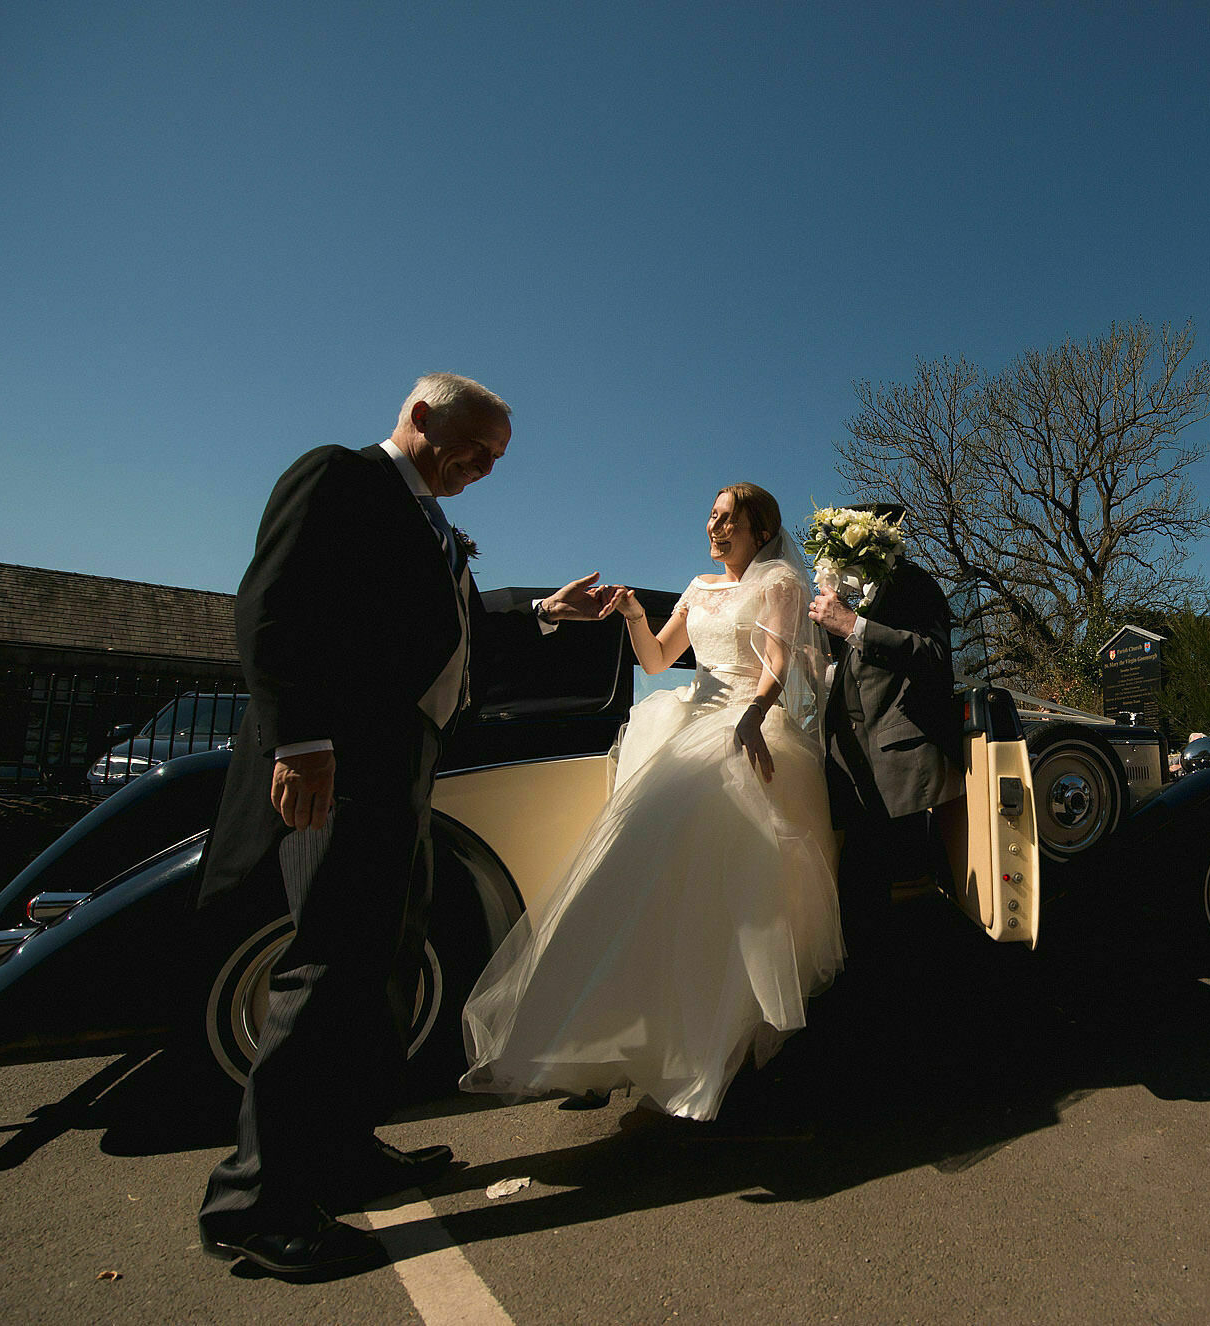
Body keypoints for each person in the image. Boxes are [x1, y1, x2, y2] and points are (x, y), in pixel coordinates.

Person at [198, 374, 609, 1279]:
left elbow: (455, 637)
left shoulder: (433, 530)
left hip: (404, 774)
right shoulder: (341, 479)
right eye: (475, 446)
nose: (484, 468)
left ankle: (342, 1147)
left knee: (386, 964)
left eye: (497, 460)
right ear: (421, 415)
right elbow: (271, 605)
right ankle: (251, 1203)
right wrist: (301, 741)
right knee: (329, 967)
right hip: (337, 768)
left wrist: (542, 613)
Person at [460, 484, 840, 1120]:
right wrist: (634, 614)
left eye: (727, 520)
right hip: (690, 721)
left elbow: (777, 660)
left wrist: (754, 714)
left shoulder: (778, 583)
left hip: (746, 722)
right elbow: (659, 660)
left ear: (758, 529)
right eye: (712, 517)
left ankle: (728, 1045)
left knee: (741, 887)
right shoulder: (696, 588)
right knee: (645, 877)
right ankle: (606, 1038)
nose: (714, 528)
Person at [806, 503, 961, 964]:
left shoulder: (914, 584)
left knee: (899, 909)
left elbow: (934, 657)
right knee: (862, 901)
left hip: (897, 770)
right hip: (855, 774)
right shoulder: (860, 595)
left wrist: (853, 626)